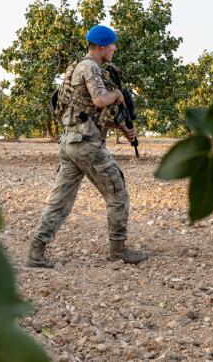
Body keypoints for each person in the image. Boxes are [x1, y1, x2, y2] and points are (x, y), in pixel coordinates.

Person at [26, 24, 148, 268]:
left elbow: (85, 112)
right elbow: (100, 100)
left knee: (60, 200)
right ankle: (118, 250)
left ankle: (36, 253)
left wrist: (121, 127)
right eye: (112, 44)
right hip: (86, 145)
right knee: (117, 192)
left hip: (70, 141)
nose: (114, 48)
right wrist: (117, 95)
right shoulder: (91, 67)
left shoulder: (75, 68)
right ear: (101, 46)